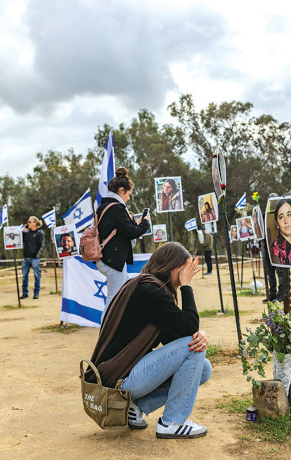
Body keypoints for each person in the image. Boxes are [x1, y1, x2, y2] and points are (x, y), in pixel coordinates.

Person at [88, 243, 211, 438]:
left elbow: (175, 336)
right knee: (193, 348)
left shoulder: (147, 287)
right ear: (173, 268)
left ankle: (135, 407)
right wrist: (186, 286)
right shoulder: (149, 291)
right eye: (184, 270)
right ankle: (172, 422)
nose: (188, 274)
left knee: (203, 368)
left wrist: (197, 334)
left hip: (125, 375)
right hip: (120, 381)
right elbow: (188, 332)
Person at [96, 167, 151, 315]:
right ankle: (105, 334)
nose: (128, 198)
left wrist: (137, 223)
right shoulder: (117, 208)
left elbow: (123, 230)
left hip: (107, 259)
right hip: (113, 262)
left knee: (129, 289)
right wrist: (145, 223)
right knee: (112, 303)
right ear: (121, 191)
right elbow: (132, 233)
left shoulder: (104, 206)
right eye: (128, 194)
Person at [271, 198, 291, 266]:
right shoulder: (276, 249)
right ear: (277, 224)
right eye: (281, 217)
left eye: (288, 215)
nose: (286, 221)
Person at [21, 216, 45, 299]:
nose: (28, 223)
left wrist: (37, 256)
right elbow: (21, 241)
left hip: (35, 258)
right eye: (28, 222)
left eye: (29, 222)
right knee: (24, 276)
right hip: (26, 258)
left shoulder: (40, 233)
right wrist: (24, 231)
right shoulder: (27, 233)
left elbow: (42, 245)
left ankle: (36, 293)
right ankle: (24, 293)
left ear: (35, 223)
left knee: (36, 276)